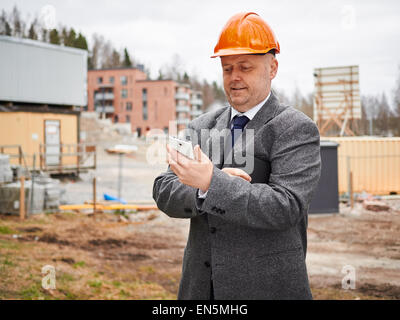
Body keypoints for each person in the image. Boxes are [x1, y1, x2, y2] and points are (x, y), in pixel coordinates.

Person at [153, 12, 321, 300]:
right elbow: (164, 189)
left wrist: (212, 183)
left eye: (245, 67)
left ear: (272, 68)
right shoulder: (201, 126)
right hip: (202, 289)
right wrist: (201, 193)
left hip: (267, 288)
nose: (235, 77)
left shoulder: (295, 129)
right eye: (228, 68)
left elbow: (286, 206)